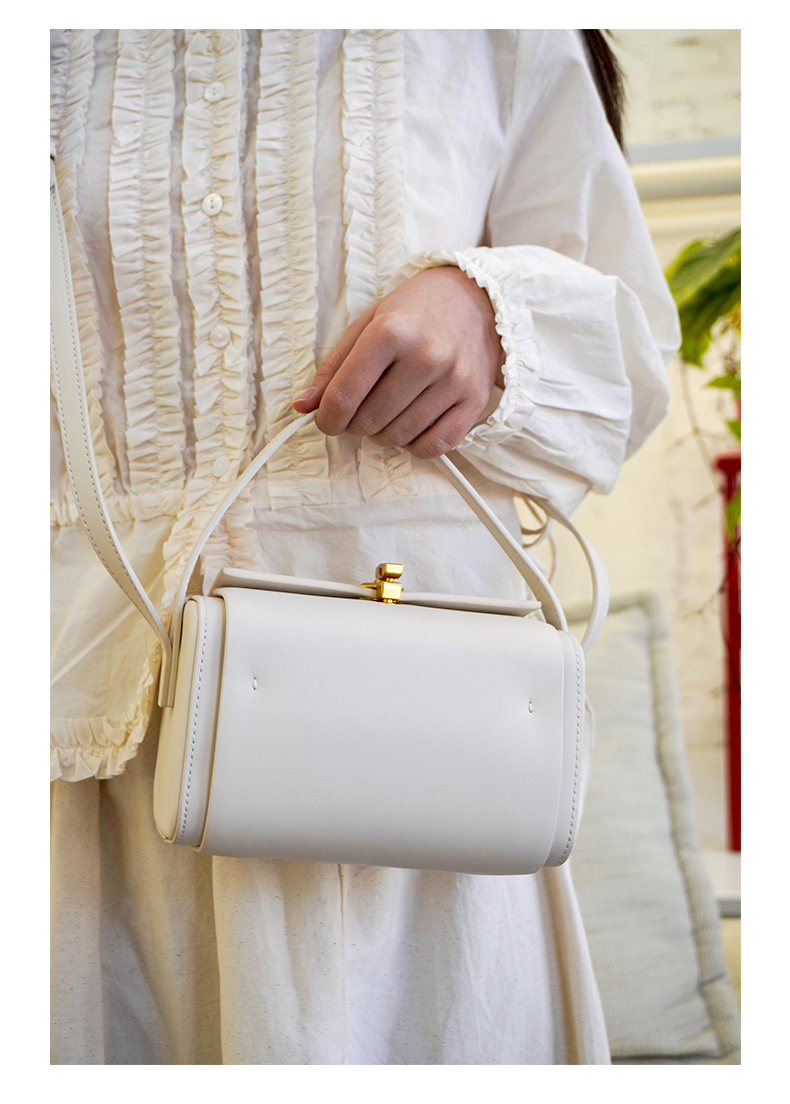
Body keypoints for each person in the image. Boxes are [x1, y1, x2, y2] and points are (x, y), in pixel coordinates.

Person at [50, 29, 680, 1064]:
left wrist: (491, 314)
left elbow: (633, 352)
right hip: (96, 758)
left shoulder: (489, 31)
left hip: (425, 775)